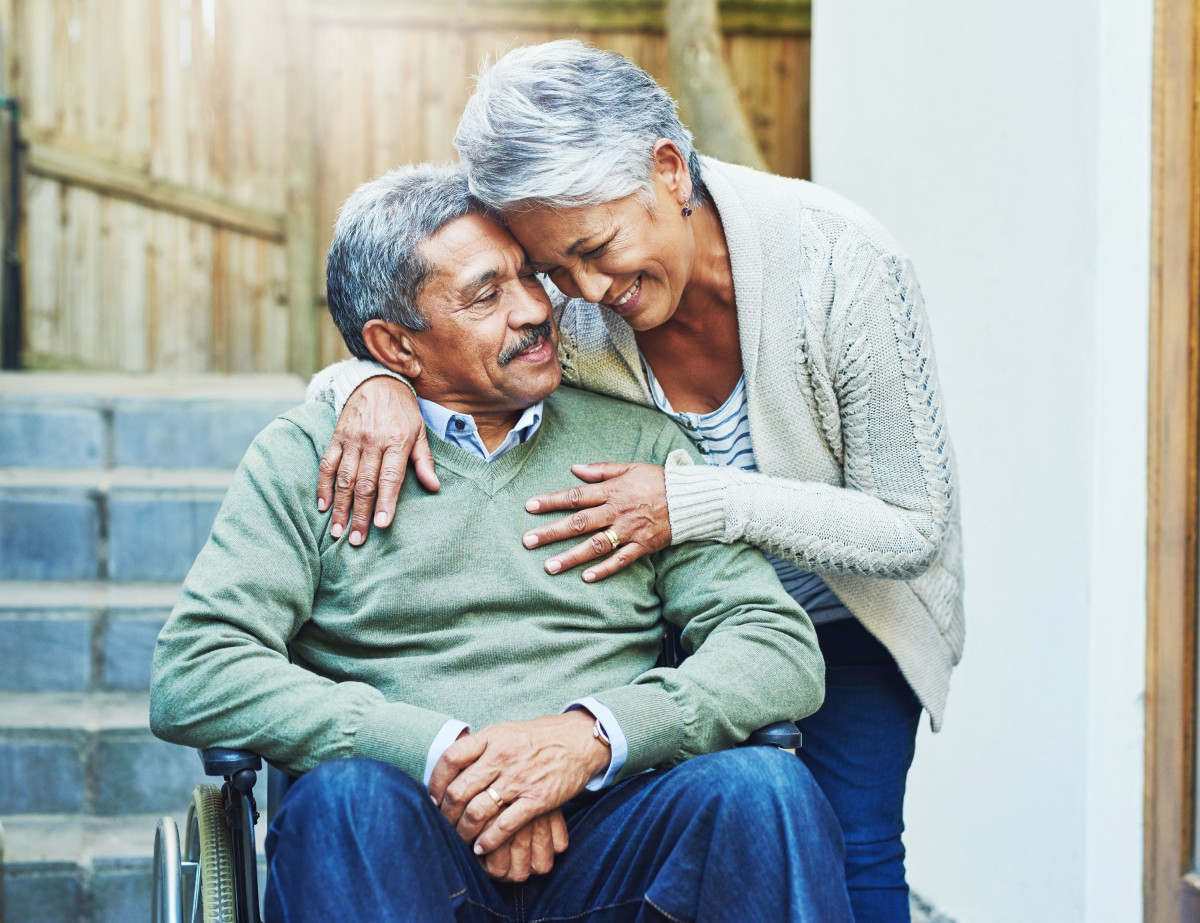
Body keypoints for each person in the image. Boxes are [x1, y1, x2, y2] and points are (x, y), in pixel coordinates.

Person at [307, 40, 964, 923]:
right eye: (554, 268)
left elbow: (913, 525)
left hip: (846, 615)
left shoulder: (840, 267)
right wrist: (370, 382)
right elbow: (428, 348)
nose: (585, 289)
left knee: (848, 852)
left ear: (666, 169)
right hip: (662, 613)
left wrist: (691, 501)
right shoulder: (570, 306)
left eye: (596, 248)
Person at [149, 162, 854, 922]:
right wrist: (445, 755)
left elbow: (776, 645)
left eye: (529, 277)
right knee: (345, 799)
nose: (533, 310)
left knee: (765, 790)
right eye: (486, 294)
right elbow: (197, 670)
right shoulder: (308, 458)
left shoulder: (639, 440)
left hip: (616, 829)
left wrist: (589, 740)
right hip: (402, 835)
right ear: (397, 346)